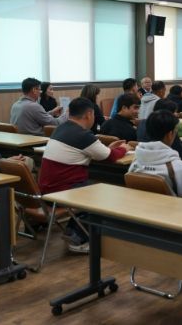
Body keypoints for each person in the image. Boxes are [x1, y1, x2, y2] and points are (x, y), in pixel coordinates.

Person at [39, 97, 131, 252]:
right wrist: (124, 149)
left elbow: (98, 152)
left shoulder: (60, 129)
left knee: (93, 187)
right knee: (104, 193)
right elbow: (109, 157)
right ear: (89, 114)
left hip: (48, 188)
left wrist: (109, 148)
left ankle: (73, 231)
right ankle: (78, 238)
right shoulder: (83, 135)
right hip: (63, 191)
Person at [129, 110, 182, 199]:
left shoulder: (135, 162)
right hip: (173, 207)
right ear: (170, 134)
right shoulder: (179, 167)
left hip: (141, 206)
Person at [136, 99, 182, 165]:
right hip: (167, 162)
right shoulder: (167, 130)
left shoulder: (142, 124)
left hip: (143, 160)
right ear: (167, 115)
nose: (176, 115)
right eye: (174, 112)